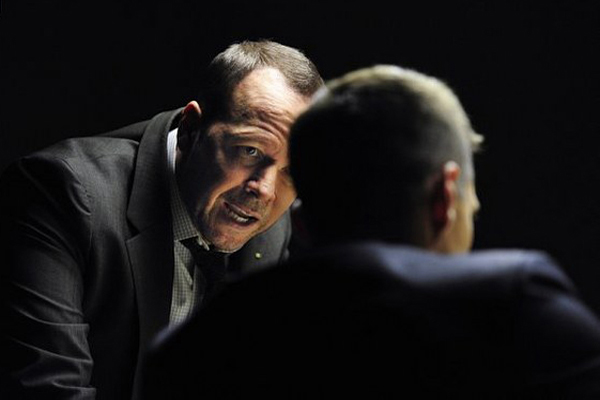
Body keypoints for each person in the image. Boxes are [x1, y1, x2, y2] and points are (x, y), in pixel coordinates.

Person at [141, 65, 600, 399]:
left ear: (301, 219)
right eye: (470, 206)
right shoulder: (516, 305)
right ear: (445, 197)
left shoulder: (189, 350)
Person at [0, 40, 323, 399]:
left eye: (292, 170)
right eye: (250, 150)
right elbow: (50, 391)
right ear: (190, 128)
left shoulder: (268, 227)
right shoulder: (62, 193)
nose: (265, 190)